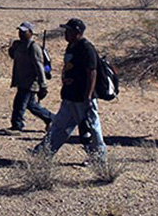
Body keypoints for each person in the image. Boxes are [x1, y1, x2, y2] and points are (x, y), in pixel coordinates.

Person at [33, 18, 106, 162]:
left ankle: (98, 158)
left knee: (90, 127)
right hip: (69, 95)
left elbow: (92, 72)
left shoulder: (86, 48)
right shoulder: (71, 46)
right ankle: (44, 152)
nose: (66, 33)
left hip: (82, 96)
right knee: (60, 126)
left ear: (77, 32)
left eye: (69, 31)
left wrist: (88, 96)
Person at [8, 21, 52, 131]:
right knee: (31, 105)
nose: (21, 34)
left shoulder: (34, 47)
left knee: (19, 104)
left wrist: (43, 85)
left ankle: (17, 125)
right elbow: (14, 56)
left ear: (31, 33)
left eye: (24, 32)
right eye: (20, 32)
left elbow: (39, 67)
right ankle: (51, 118)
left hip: (30, 82)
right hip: (21, 80)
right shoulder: (18, 45)